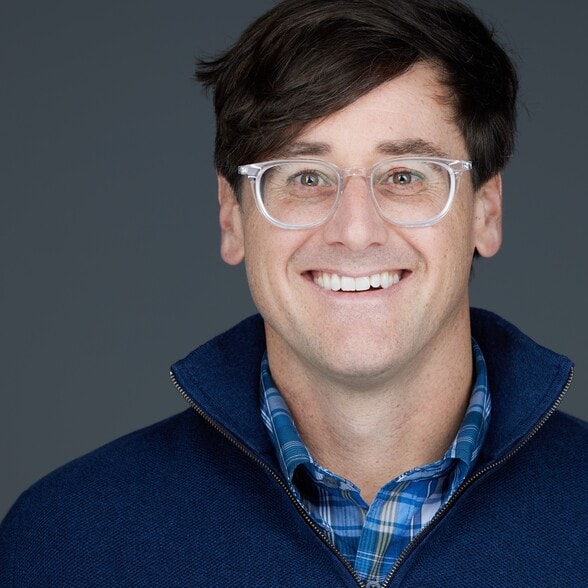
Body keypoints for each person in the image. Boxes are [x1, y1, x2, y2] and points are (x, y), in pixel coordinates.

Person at [1, 0, 586, 585]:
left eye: (405, 176)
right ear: (232, 216)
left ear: (486, 210)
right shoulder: (66, 543)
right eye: (306, 178)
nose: (355, 230)